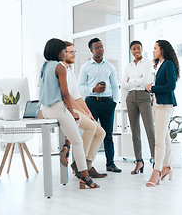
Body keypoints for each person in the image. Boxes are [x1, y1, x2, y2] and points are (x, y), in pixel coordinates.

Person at [39, 38, 99, 189]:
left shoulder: (44, 66)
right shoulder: (60, 67)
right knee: (78, 141)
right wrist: (72, 112)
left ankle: (66, 146)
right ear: (58, 52)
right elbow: (65, 94)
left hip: (46, 110)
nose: (65, 53)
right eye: (64, 51)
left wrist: (73, 115)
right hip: (58, 109)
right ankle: (84, 176)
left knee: (77, 121)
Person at [60, 41, 107, 179]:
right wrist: (84, 113)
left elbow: (77, 96)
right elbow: (67, 97)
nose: (74, 54)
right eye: (71, 52)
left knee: (101, 132)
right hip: (66, 108)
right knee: (91, 127)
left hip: (74, 105)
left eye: (75, 51)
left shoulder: (70, 71)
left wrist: (89, 113)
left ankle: (86, 164)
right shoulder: (60, 69)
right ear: (63, 53)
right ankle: (80, 166)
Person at [78, 38, 122, 173]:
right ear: (91, 50)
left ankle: (110, 163)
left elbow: (115, 85)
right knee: (89, 133)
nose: (101, 49)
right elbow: (80, 87)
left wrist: (114, 102)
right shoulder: (85, 67)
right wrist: (93, 90)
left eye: (102, 47)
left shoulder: (109, 66)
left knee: (108, 134)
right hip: (91, 103)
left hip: (108, 103)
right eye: (97, 47)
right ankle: (83, 165)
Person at [145, 39, 180, 187]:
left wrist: (152, 88)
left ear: (162, 50)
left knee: (158, 140)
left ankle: (156, 171)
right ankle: (166, 167)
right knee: (164, 137)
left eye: (155, 48)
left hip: (164, 106)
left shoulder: (168, 64)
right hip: (157, 105)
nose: (153, 51)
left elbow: (171, 86)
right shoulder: (160, 64)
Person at [122, 40, 155, 175]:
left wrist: (132, 82)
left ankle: (155, 160)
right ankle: (139, 161)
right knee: (135, 132)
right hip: (130, 98)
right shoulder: (128, 66)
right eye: (134, 49)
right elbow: (124, 83)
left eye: (138, 48)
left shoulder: (147, 63)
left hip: (143, 96)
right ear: (131, 51)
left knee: (150, 129)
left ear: (142, 49)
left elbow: (144, 80)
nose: (136, 51)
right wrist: (135, 82)